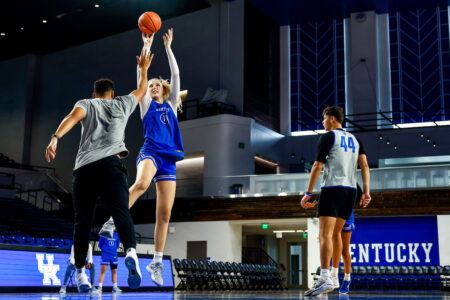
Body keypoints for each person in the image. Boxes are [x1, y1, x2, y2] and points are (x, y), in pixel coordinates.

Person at [45, 48, 154, 292]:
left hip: (84, 169)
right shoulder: (123, 103)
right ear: (112, 94)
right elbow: (142, 90)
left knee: (82, 221)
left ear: (94, 94)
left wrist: (55, 138)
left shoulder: (87, 103)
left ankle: (82, 273)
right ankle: (131, 251)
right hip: (111, 166)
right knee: (120, 211)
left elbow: (72, 117)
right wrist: (144, 69)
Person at [99, 28, 184, 287]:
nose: (155, 87)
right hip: (150, 152)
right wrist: (146, 45)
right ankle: (112, 221)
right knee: (142, 184)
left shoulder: (170, 106)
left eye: (158, 85)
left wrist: (168, 48)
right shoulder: (146, 104)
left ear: (165, 90)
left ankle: (156, 262)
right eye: (152, 86)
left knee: (165, 214)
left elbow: (176, 75)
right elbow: (141, 76)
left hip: (169, 159)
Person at [300, 106, 370, 296]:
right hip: (351, 192)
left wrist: (307, 193)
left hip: (332, 189)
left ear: (331, 118)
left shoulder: (328, 137)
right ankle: (334, 276)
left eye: (323, 119)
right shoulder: (355, 140)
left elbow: (317, 165)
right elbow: (364, 165)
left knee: (325, 234)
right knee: (336, 235)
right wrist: (367, 192)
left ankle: (324, 278)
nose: (322, 122)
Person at [308, 184, 362, 294]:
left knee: (345, 250)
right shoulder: (333, 179)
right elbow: (326, 192)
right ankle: (334, 274)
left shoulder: (351, 181)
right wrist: (314, 203)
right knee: (332, 238)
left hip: (346, 211)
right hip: (333, 210)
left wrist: (350, 202)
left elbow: (359, 193)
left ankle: (347, 278)